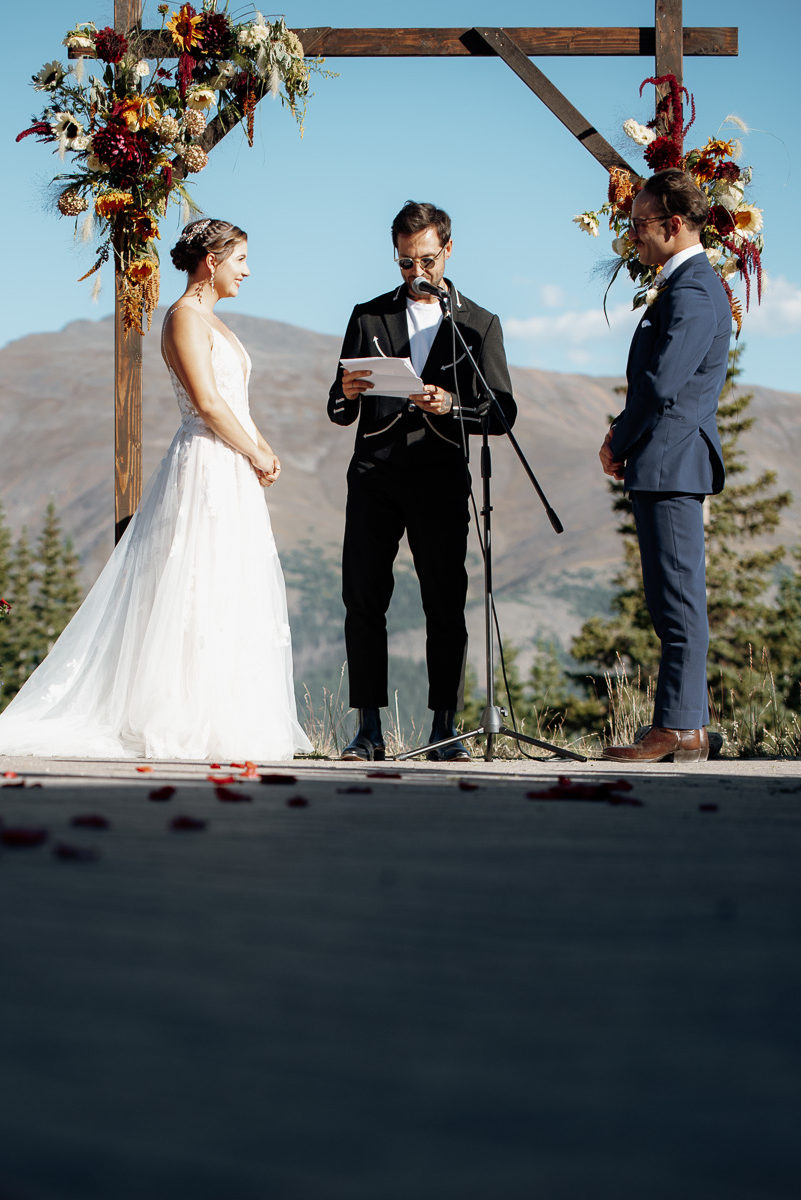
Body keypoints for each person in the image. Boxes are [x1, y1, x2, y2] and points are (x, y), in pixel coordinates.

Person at [0, 218, 311, 762]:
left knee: (228, 586)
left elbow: (235, 404)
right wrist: (255, 450)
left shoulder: (216, 322)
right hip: (205, 466)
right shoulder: (184, 319)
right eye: (240, 259)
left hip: (232, 465)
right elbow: (208, 404)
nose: (248, 270)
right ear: (210, 261)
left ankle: (224, 714)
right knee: (193, 586)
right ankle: (181, 714)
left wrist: (264, 450)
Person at [328, 200, 516, 762]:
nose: (417, 274)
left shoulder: (479, 324)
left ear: (448, 251)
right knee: (363, 599)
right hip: (375, 476)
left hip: (438, 479)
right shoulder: (368, 316)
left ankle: (444, 730)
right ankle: (368, 731)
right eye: (406, 263)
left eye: (426, 261)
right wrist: (349, 393)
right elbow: (337, 409)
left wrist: (452, 404)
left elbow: (502, 414)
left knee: (444, 601)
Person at [599, 170, 731, 764]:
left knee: (678, 602)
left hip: (673, 462)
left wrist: (618, 440)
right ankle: (689, 727)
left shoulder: (695, 291)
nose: (634, 238)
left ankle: (677, 726)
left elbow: (660, 383)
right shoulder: (685, 288)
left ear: (673, 225)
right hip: (663, 462)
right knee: (669, 599)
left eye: (640, 225)